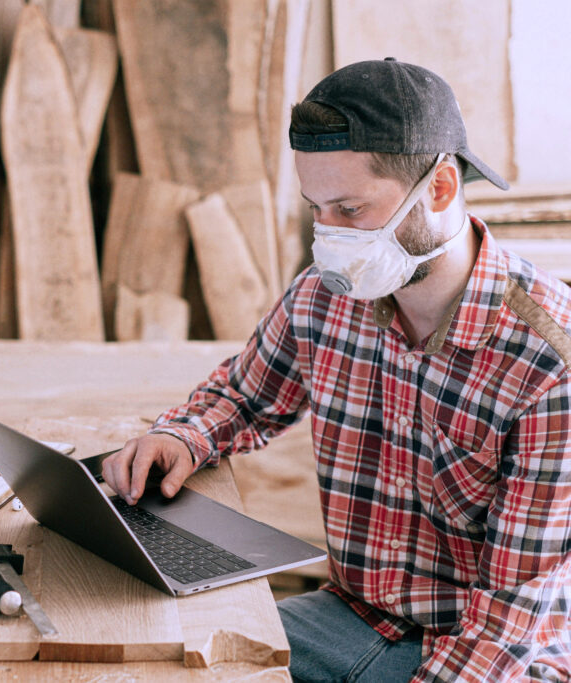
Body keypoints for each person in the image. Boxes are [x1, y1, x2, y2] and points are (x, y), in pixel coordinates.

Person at [102, 58, 571, 682]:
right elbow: (244, 398)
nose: (329, 237)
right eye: (315, 209)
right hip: (353, 616)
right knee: (162, 665)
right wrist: (180, 436)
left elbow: (513, 613)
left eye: (349, 210)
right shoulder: (327, 296)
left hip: (494, 653)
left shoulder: (547, 362)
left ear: (440, 188)